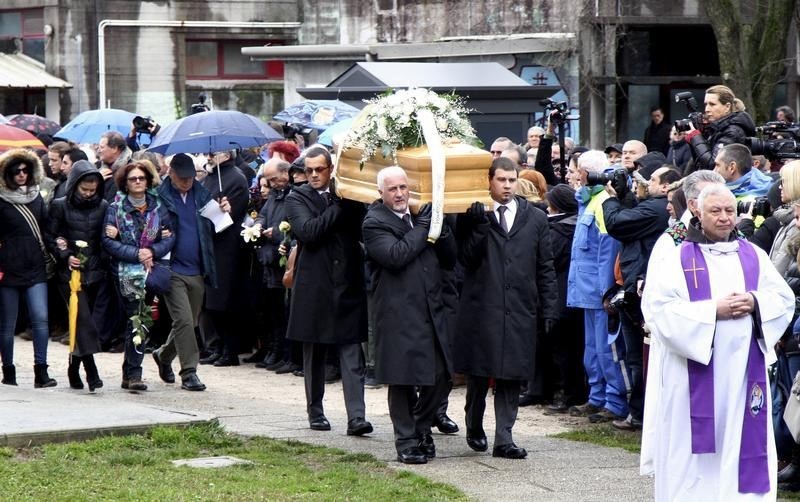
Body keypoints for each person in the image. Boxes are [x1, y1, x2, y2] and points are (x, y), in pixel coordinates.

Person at [641, 184, 794, 500]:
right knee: (693, 456)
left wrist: (754, 302)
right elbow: (658, 310)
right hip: (691, 377)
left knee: (742, 443)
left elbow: (783, 298)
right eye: (716, 211)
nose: (726, 218)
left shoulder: (753, 255)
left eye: (730, 211)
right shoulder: (677, 257)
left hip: (743, 376)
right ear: (696, 209)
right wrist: (713, 310)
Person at [455, 157, 558, 459]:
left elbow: (545, 266)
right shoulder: (474, 213)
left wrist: (550, 307)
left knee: (511, 375)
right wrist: (476, 225)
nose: (507, 186)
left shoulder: (535, 218)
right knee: (478, 373)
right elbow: (466, 260)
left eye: (512, 180)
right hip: (482, 308)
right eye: (501, 180)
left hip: (519, 308)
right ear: (489, 181)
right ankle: (474, 424)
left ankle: (504, 437)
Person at [362, 166, 454, 464]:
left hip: (430, 308)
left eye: (403, 187)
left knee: (441, 375)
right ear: (381, 193)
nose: (400, 194)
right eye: (393, 189)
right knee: (402, 379)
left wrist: (443, 223)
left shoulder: (419, 216)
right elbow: (396, 255)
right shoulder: (374, 222)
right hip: (397, 312)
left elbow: (450, 258)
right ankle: (406, 441)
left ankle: (420, 427)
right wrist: (424, 228)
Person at [285, 145, 373, 435]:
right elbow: (309, 232)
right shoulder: (297, 196)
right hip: (314, 286)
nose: (312, 175)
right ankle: (316, 411)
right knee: (315, 354)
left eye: (318, 170)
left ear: (330, 169)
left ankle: (356, 417)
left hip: (347, 282)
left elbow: (362, 226)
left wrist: (349, 200)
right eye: (308, 170)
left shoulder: (347, 194)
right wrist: (339, 205)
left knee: (351, 352)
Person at [601, 165, 681, 430]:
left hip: (641, 291)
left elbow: (618, 224)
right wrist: (623, 196)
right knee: (635, 356)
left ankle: (640, 414)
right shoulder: (652, 206)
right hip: (633, 286)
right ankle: (638, 413)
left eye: (652, 180)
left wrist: (612, 199)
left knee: (640, 357)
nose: (645, 184)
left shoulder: (656, 208)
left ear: (666, 186)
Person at [151, 154, 227, 392]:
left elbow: (220, 225)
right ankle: (189, 372)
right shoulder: (158, 198)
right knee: (183, 320)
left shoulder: (202, 194)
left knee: (188, 322)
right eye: (182, 178)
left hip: (197, 268)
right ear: (170, 173)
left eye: (191, 178)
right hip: (171, 267)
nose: (187, 182)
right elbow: (147, 230)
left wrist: (224, 209)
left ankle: (163, 356)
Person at [567, 150, 628, 423]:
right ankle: (597, 396)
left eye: (579, 170)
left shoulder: (602, 202)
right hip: (586, 287)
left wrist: (607, 291)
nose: (577, 176)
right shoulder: (588, 201)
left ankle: (614, 400)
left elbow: (608, 250)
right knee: (592, 348)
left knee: (606, 348)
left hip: (598, 289)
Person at [102, 160, 174, 392]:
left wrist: (152, 251)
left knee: (142, 320)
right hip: (126, 270)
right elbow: (108, 241)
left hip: (152, 268)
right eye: (133, 179)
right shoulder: (115, 207)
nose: (137, 182)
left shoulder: (157, 206)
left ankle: (129, 371)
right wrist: (137, 254)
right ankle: (134, 373)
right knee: (137, 317)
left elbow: (170, 236)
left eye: (141, 178)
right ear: (125, 182)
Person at [46, 160, 108, 392]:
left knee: (84, 323)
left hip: (95, 273)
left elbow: (103, 240)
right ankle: (91, 371)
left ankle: (73, 367)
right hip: (69, 275)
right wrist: (65, 254)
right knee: (82, 321)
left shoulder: (102, 206)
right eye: (84, 190)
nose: (89, 194)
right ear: (74, 186)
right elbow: (51, 235)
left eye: (93, 190)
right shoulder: (60, 206)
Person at [0, 149, 57, 388]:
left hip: (35, 265)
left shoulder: (37, 196)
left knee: (41, 319)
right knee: (7, 324)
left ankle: (41, 372)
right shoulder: (0, 199)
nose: (21, 174)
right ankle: (9, 371)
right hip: (8, 267)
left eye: (25, 170)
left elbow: (47, 228)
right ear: (7, 174)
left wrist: (60, 247)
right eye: (16, 171)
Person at [198, 149, 249, 366]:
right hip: (210, 246)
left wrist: (223, 209)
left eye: (212, 153)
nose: (208, 156)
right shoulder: (211, 177)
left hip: (227, 248)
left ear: (226, 154)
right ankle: (217, 347)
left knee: (225, 302)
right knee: (211, 303)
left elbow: (232, 214)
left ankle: (230, 350)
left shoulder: (236, 177)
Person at [685, 85, 756, 172]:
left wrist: (696, 138)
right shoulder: (717, 128)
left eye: (712, 104)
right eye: (706, 104)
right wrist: (697, 138)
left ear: (727, 107)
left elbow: (714, 166)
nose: (707, 109)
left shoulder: (732, 131)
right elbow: (700, 163)